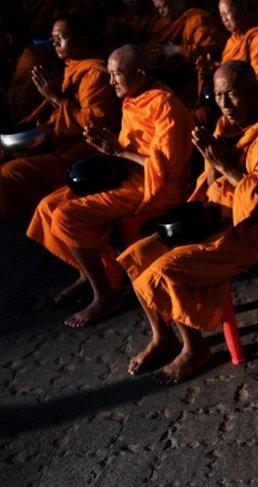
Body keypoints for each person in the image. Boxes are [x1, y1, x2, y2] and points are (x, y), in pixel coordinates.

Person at [117, 61, 258, 382]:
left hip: (250, 232)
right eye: (218, 95)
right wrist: (209, 158)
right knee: (138, 256)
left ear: (252, 91)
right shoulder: (225, 127)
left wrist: (224, 164)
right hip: (214, 216)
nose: (224, 104)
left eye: (232, 94)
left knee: (165, 269)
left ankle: (194, 348)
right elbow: (209, 183)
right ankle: (164, 337)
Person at [27, 45, 194, 328]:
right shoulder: (133, 98)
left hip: (154, 186)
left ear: (140, 74)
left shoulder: (164, 105)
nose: (111, 82)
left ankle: (105, 292)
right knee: (47, 206)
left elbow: (166, 168)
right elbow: (129, 146)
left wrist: (118, 152)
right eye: (110, 75)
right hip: (126, 173)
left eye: (117, 75)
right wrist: (107, 147)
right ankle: (91, 270)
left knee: (67, 216)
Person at [0, 17, 120, 217]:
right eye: (52, 38)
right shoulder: (72, 67)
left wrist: (55, 97)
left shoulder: (96, 74)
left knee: (10, 172)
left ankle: (26, 221)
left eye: (60, 38)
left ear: (81, 41)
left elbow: (93, 124)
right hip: (59, 141)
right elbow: (57, 104)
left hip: (80, 153)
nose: (54, 43)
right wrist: (30, 122)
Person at [207, 0, 258, 107]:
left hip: (255, 102)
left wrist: (234, 86)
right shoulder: (232, 41)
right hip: (230, 98)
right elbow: (230, 69)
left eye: (227, 13)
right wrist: (214, 69)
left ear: (244, 12)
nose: (224, 19)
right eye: (221, 15)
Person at [149, 0, 227, 101]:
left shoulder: (197, 19)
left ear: (177, 2)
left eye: (163, 7)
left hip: (202, 78)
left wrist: (177, 50)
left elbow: (209, 50)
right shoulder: (163, 23)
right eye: (157, 8)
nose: (161, 12)